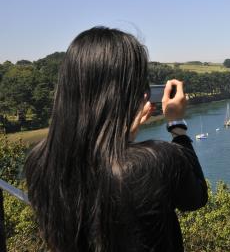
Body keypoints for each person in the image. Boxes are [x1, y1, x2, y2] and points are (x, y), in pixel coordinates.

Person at [24, 27, 208, 251]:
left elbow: (102, 165)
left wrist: (125, 134)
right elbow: (196, 198)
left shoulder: (38, 161)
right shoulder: (154, 159)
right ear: (127, 91)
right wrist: (176, 125)